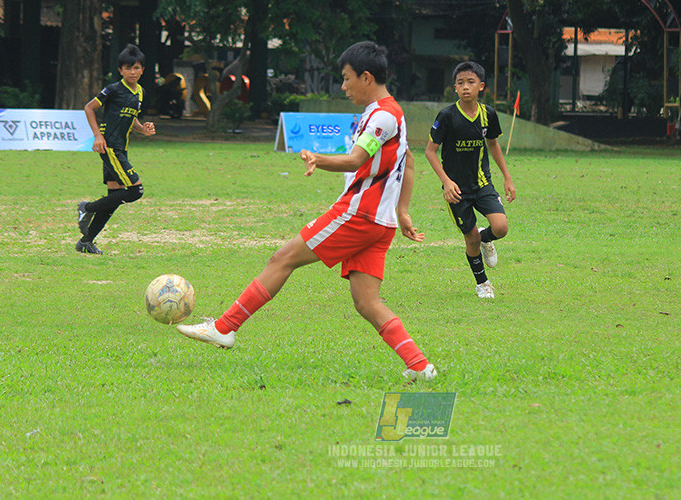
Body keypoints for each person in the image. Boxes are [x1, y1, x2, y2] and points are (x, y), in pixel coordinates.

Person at [177, 41, 437, 382]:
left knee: (282, 258)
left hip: (358, 215)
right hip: (379, 223)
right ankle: (419, 365)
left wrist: (318, 158)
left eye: (347, 78)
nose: (343, 87)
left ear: (366, 77)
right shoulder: (391, 114)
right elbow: (409, 162)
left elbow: (356, 160)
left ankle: (225, 328)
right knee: (367, 302)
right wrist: (401, 212)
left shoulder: (383, 116)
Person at [425, 61, 516, 299]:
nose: (466, 87)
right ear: (454, 87)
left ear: (481, 86)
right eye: (461, 83)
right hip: (456, 190)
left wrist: (507, 177)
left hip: (482, 183)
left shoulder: (488, 114)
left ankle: (487, 239)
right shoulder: (446, 116)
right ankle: (483, 283)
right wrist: (446, 182)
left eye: (471, 82)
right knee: (471, 237)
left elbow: (493, 144)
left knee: (501, 228)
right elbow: (430, 151)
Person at [75, 44, 156, 254]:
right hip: (110, 147)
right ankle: (86, 208)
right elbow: (89, 107)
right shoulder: (113, 89)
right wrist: (98, 136)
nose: (132, 72)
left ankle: (86, 242)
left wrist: (143, 129)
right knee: (135, 191)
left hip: (122, 148)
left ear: (143, 70)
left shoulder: (140, 92)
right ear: (120, 70)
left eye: (136, 68)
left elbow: (132, 118)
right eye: (128, 68)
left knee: (114, 197)